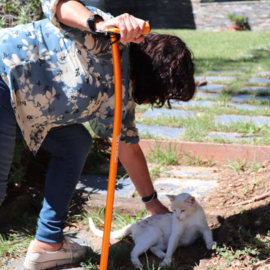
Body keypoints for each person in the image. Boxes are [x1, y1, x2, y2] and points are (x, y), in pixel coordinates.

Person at [0, 0, 195, 269]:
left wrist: (153, 205)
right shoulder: (108, 37)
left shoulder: (122, 95)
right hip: (4, 78)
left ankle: (48, 245)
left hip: (21, 108)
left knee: (75, 142)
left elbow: (127, 147)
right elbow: (56, 4)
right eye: (165, 93)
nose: (160, 99)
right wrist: (98, 23)